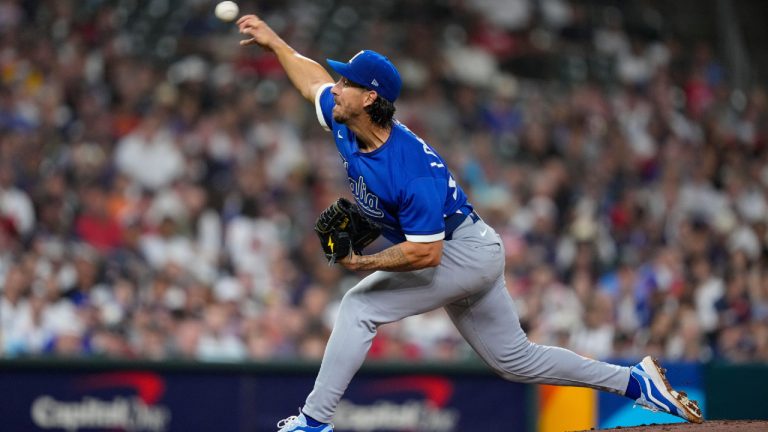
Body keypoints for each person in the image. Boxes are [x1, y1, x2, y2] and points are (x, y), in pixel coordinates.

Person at [235, 14, 703, 432]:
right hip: (470, 248)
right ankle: (636, 383)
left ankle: (314, 423)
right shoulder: (344, 118)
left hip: (460, 251)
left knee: (359, 308)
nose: (336, 87)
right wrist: (276, 42)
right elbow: (310, 80)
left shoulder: (410, 168)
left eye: (347, 82)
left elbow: (427, 254)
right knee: (515, 360)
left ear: (370, 96)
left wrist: (365, 261)